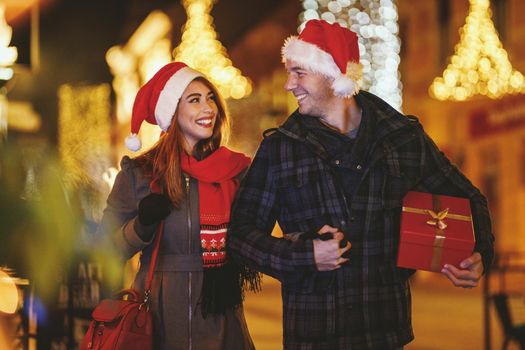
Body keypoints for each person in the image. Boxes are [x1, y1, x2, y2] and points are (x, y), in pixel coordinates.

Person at [229, 19, 495, 349]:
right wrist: (304, 255)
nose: (288, 84)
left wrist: (481, 252)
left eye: (299, 72)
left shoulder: (402, 138)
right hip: (314, 337)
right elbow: (240, 234)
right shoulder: (281, 147)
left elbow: (469, 199)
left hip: (384, 333)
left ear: (335, 72)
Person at [99, 62, 258, 349]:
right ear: (172, 111)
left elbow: (255, 234)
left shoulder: (236, 171)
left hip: (220, 317)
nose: (208, 108)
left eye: (211, 98)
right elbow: (105, 249)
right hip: (158, 319)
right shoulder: (140, 173)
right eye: (194, 100)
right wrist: (141, 225)